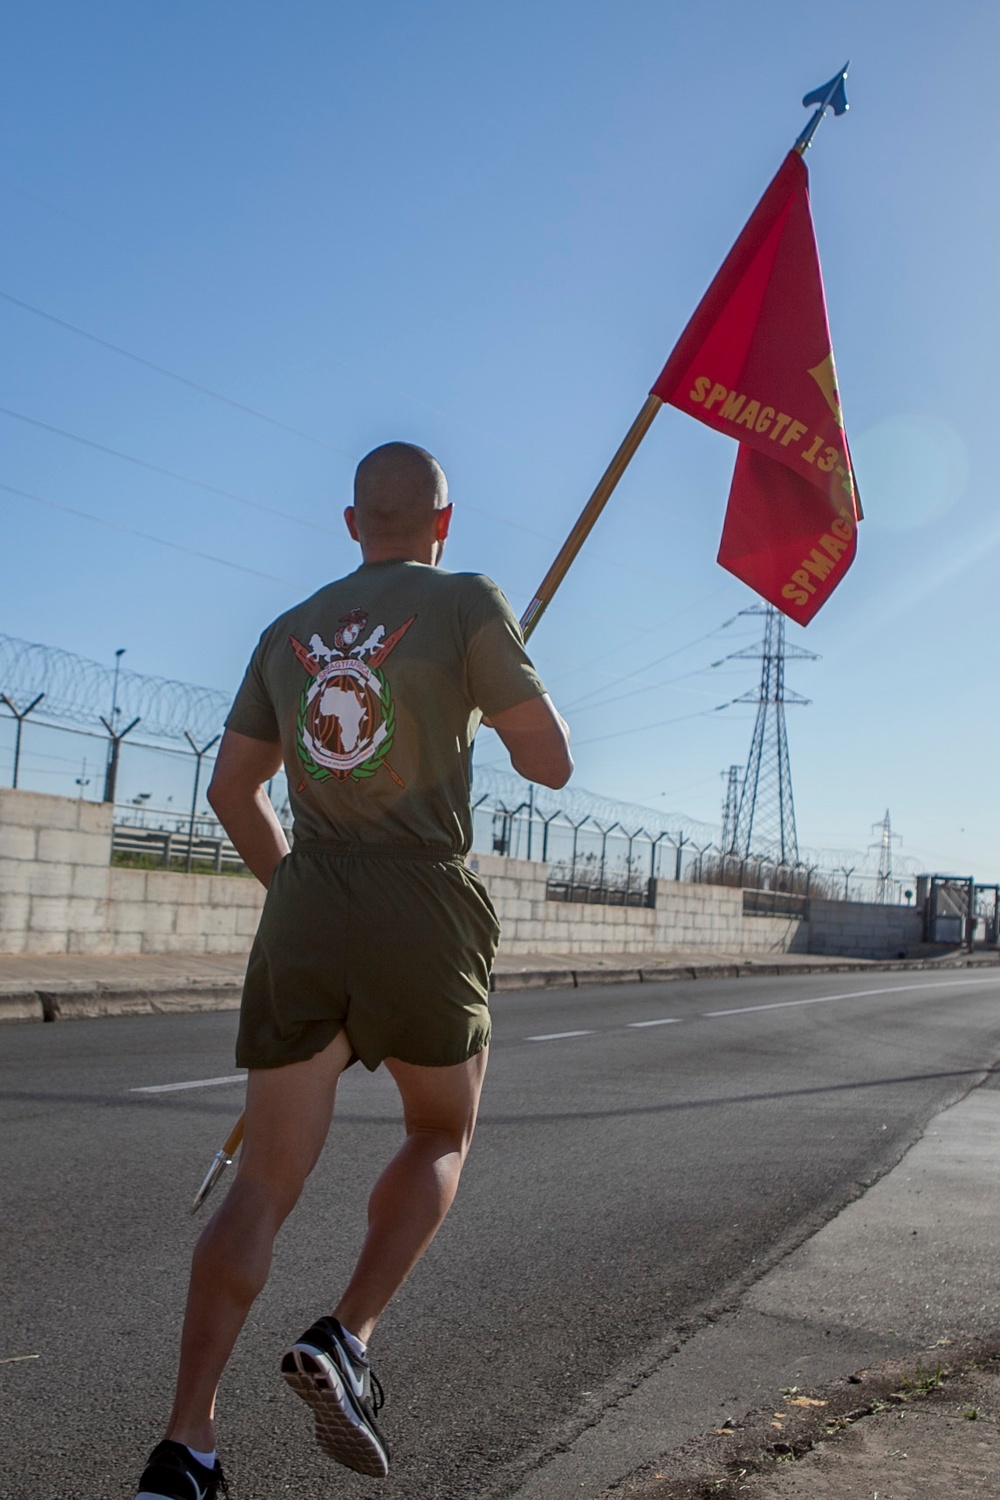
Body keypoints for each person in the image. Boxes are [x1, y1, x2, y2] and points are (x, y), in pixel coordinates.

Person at [132, 441, 572, 1499]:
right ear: (443, 522)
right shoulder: (467, 600)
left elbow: (234, 792)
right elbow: (548, 760)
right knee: (438, 1132)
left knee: (264, 1184)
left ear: (350, 523)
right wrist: (485, 696)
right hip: (422, 898)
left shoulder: (287, 632)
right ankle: (348, 1336)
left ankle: (186, 1447)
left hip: (309, 902)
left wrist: (295, 891)